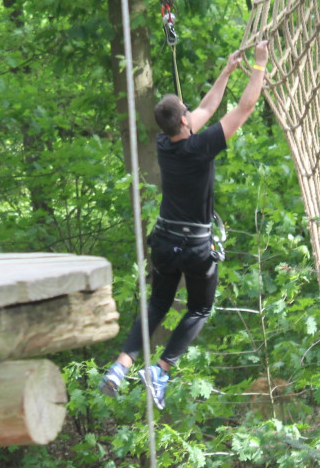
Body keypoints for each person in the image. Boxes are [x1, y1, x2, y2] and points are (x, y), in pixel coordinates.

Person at [100, 40, 269, 409]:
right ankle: (160, 370)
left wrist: (226, 71)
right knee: (199, 309)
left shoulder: (165, 142)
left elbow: (208, 107)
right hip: (194, 248)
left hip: (164, 241)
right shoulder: (200, 146)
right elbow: (246, 107)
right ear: (183, 120)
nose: (193, 113)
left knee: (158, 303)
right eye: (186, 113)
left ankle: (120, 366)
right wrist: (258, 66)